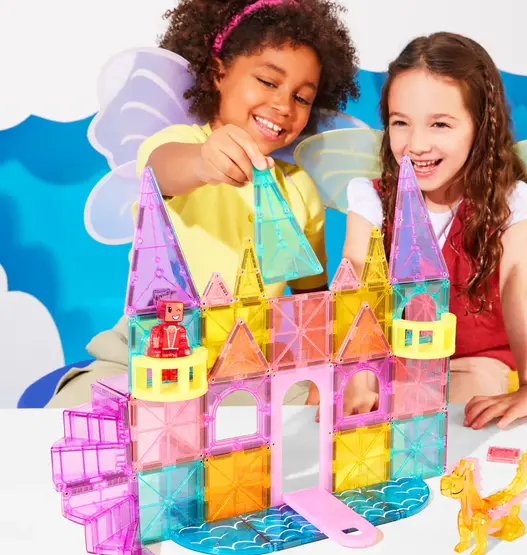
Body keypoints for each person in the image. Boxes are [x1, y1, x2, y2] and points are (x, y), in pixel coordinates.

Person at [47, 0, 359, 408]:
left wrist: (317, 374)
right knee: (74, 412)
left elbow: (310, 300)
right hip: (144, 354)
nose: (284, 106)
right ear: (218, 74)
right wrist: (203, 162)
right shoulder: (179, 144)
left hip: (245, 369)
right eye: (268, 81)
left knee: (304, 420)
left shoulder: (300, 190)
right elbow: (160, 171)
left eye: (302, 97)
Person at [341, 32, 527, 430]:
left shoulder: (511, 202)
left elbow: (518, 290)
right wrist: (358, 381)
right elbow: (356, 291)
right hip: (382, 359)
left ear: (480, 126)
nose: (417, 144)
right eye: (400, 123)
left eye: (439, 124)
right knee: (329, 412)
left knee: (445, 423)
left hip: (469, 362)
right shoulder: (370, 199)